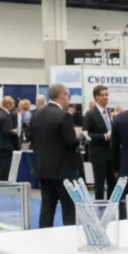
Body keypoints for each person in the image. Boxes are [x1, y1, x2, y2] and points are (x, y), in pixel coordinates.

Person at [31, 83, 81, 228]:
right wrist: (80, 139)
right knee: (69, 208)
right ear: (62, 96)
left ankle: (43, 236)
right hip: (63, 170)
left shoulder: (37, 113)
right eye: (68, 96)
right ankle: (70, 238)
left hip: (43, 168)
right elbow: (70, 142)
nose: (69, 99)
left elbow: (32, 138)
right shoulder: (64, 116)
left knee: (47, 207)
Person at [84, 85, 117, 200]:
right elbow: (86, 135)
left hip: (110, 153)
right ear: (96, 97)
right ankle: (99, 208)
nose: (105, 97)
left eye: (106, 95)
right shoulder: (90, 114)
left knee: (112, 182)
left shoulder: (109, 112)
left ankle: (111, 206)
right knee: (100, 184)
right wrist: (104, 136)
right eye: (102, 95)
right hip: (98, 153)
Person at [0, 96, 19, 181]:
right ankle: (3, 182)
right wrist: (14, 131)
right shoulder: (6, 116)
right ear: (8, 105)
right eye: (13, 103)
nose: (14, 105)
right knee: (5, 166)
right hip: (6, 145)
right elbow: (5, 131)